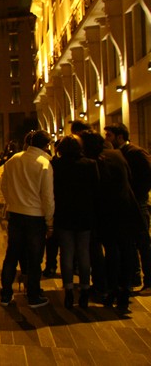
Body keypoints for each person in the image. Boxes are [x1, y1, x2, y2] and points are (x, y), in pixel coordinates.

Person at [81, 130, 143, 312]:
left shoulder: (92, 162)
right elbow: (129, 177)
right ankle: (125, 291)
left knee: (112, 251)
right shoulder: (117, 154)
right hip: (126, 208)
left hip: (107, 212)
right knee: (126, 250)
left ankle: (112, 289)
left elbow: (93, 189)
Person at [0, 130, 54, 308]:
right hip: (35, 217)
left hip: (16, 215)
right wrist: (50, 222)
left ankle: (6, 294)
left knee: (12, 255)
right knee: (35, 258)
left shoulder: (13, 160)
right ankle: (33, 296)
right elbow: (47, 197)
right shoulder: (44, 163)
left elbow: (4, 187)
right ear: (46, 145)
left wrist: (13, 202)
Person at [51, 135, 99, 308]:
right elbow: (96, 188)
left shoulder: (56, 165)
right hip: (85, 214)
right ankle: (85, 289)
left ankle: (69, 291)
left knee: (67, 253)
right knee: (83, 252)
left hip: (63, 213)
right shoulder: (90, 164)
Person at [104, 123, 151, 295]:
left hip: (138, 204)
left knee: (143, 242)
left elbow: (147, 175)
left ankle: (149, 281)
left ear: (120, 136)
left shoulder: (135, 152)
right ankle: (134, 278)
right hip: (126, 204)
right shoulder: (119, 153)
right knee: (130, 243)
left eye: (109, 135)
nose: (107, 139)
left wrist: (137, 194)